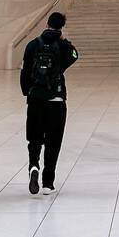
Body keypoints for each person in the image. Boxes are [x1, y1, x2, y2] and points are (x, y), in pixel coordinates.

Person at [20, 11, 78, 194]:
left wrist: (27, 92)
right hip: (57, 100)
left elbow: (24, 72)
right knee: (54, 141)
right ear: (61, 27)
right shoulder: (62, 46)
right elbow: (75, 55)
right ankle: (47, 182)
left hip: (36, 99)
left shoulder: (32, 45)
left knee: (35, 138)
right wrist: (64, 40)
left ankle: (33, 165)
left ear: (47, 24)